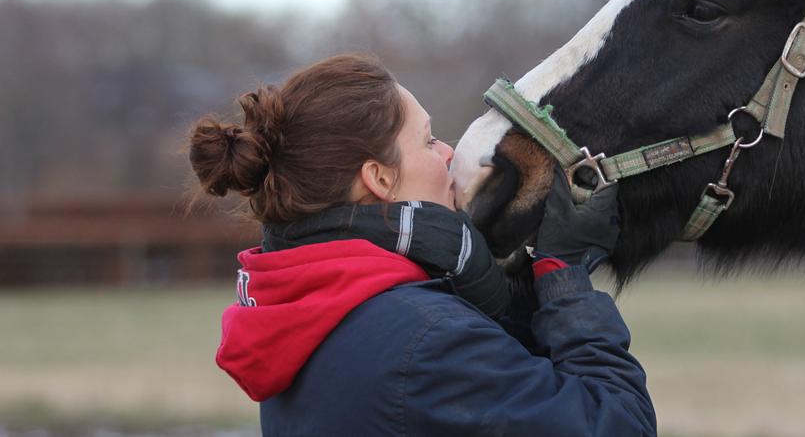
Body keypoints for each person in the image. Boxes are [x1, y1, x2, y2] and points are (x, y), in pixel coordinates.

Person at [189, 53, 655, 436]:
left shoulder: (309, 312)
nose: (449, 152)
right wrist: (565, 276)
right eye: (428, 140)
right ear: (380, 178)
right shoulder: (426, 340)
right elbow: (619, 425)